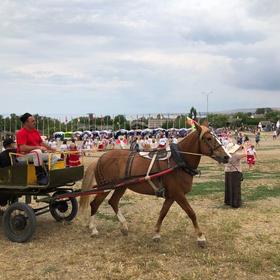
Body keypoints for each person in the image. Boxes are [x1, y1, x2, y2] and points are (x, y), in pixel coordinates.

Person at [16, 113, 58, 185]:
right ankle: (40, 176)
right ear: (26, 122)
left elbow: (41, 143)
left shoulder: (35, 131)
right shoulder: (21, 133)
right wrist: (37, 147)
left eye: (34, 121)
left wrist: (51, 149)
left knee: (54, 157)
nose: (35, 122)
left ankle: (46, 172)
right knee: (37, 152)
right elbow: (22, 148)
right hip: (22, 156)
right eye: (32, 121)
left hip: (35, 155)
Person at [224, 143, 246, 208]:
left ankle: (228, 201)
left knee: (228, 187)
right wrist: (245, 147)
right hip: (235, 172)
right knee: (235, 188)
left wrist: (240, 147)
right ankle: (235, 203)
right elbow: (245, 154)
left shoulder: (226, 155)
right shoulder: (236, 155)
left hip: (227, 171)